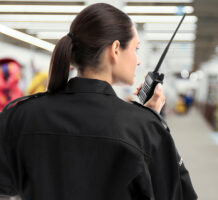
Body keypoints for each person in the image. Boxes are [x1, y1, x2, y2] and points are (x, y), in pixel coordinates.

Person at [0, 3, 197, 200]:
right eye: (136, 49)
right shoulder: (143, 128)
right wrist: (154, 125)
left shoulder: (19, 115)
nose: (138, 60)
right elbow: (179, 194)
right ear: (116, 49)